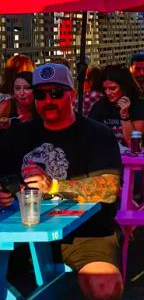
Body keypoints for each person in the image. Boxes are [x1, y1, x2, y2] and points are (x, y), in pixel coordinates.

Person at [0, 63, 124, 299]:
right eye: (41, 94)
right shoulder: (17, 136)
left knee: (105, 287)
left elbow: (109, 188)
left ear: (72, 95)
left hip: (86, 234)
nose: (48, 100)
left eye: (56, 93)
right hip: (19, 235)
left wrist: (55, 186)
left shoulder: (96, 134)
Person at [89, 65, 144, 147]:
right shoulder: (100, 105)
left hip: (133, 157)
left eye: (113, 88)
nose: (108, 92)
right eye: (105, 89)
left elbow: (132, 143)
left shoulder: (139, 105)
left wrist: (125, 115)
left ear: (124, 87)